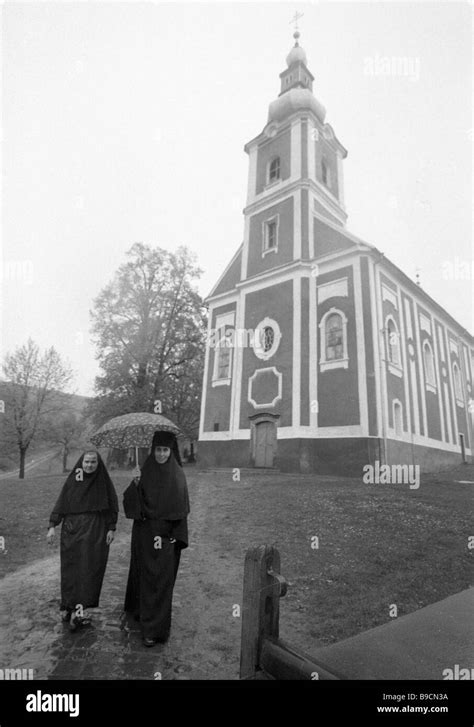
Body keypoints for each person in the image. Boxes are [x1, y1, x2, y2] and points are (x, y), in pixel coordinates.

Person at [123, 430, 190, 647]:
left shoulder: (178, 475)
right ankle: (141, 615)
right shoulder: (144, 472)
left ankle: (154, 630)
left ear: (171, 451)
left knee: (160, 582)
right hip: (144, 534)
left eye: (165, 450)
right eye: (158, 450)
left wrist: (174, 541)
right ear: (152, 450)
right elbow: (131, 506)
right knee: (144, 578)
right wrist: (135, 485)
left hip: (166, 537)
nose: (161, 454)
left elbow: (182, 512)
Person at [46, 449, 119, 631]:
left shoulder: (102, 481)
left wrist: (111, 528)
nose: (89, 465)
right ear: (81, 463)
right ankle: (68, 607)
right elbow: (62, 502)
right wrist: (52, 526)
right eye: (86, 462)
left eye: (93, 462)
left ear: (98, 464)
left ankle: (79, 612)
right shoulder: (74, 480)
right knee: (71, 570)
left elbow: (111, 506)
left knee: (88, 571)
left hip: (95, 532)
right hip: (72, 530)